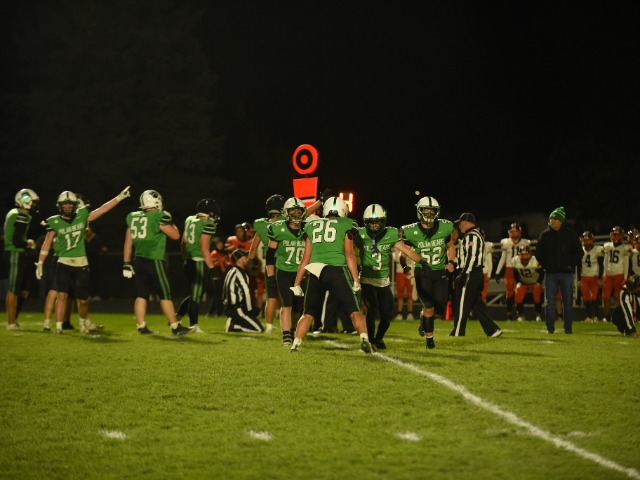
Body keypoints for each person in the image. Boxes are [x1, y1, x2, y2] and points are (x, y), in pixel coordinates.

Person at [37, 188, 130, 334]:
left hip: (81, 262)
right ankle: (58, 326)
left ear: (75, 205)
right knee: (61, 295)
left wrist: (118, 198)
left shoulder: (82, 215)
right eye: (64, 204)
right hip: (63, 261)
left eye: (70, 204)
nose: (67, 207)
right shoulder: (54, 221)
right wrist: (40, 261)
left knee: (83, 299)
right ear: (59, 205)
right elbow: (47, 243)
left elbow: (102, 210)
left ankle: (82, 323)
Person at [289, 196, 374, 353]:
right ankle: (364, 339)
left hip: (315, 270)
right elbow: (349, 254)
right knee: (354, 310)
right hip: (337, 270)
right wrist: (356, 280)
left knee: (308, 313)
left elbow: (305, 258)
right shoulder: (347, 223)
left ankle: (296, 344)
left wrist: (297, 283)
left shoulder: (312, 225)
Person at [122, 189, 194, 336]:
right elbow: (175, 235)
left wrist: (126, 262)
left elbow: (128, 241)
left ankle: (141, 326)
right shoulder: (158, 216)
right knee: (165, 294)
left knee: (141, 295)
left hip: (138, 261)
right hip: (154, 261)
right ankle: (175, 326)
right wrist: (172, 223)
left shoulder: (133, 217)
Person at [355, 203, 424, 350]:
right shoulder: (359, 234)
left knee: (387, 314)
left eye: (377, 221)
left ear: (383, 221)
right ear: (366, 222)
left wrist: (422, 262)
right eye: (371, 222)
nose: (374, 225)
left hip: (383, 281)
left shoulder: (391, 233)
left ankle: (379, 338)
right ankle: (371, 340)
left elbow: (405, 250)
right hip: (366, 279)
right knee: (372, 308)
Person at [400, 196, 456, 350]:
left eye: (432, 211)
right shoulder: (411, 231)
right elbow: (403, 253)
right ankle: (429, 340)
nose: (429, 214)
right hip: (422, 272)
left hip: (440, 272)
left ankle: (423, 317)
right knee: (429, 306)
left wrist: (451, 262)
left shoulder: (445, 227)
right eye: (426, 211)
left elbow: (451, 246)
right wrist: (405, 265)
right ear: (420, 211)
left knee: (439, 311)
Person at [450, 213, 503, 337]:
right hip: (475, 273)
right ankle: (492, 330)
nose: (459, 226)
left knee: (462, 303)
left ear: (466, 222)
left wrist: (464, 273)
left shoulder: (471, 236)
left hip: (471, 272)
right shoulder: (474, 235)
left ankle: (458, 331)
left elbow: (471, 256)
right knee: (477, 304)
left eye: (460, 223)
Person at [265, 197, 308, 345]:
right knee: (286, 304)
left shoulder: (307, 228)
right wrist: (271, 276)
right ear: (286, 213)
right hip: (284, 271)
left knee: (298, 306)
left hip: (301, 273)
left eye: (299, 211)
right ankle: (286, 335)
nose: (296, 214)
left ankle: (293, 328)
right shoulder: (278, 228)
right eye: (293, 211)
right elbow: (270, 255)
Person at [535, 206, 583, 334]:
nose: (551, 221)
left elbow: (579, 252)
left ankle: (568, 329)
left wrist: (570, 265)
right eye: (550, 218)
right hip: (550, 274)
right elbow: (538, 253)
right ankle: (550, 329)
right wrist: (547, 265)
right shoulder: (545, 235)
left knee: (567, 302)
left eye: (554, 219)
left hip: (566, 273)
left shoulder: (571, 234)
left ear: (561, 220)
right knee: (550, 303)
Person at [176, 198, 221, 333]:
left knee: (194, 293)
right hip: (199, 262)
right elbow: (204, 248)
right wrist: (211, 268)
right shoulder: (208, 224)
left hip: (189, 261)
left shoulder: (189, 219)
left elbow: (183, 242)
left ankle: (176, 317)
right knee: (196, 296)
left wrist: (185, 258)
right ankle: (194, 325)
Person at [249, 194, 286, 334]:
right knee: (286, 297)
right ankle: (288, 327)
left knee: (271, 296)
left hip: (269, 264)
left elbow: (253, 249)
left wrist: (251, 263)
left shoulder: (261, 224)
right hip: (284, 262)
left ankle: (269, 327)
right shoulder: (285, 221)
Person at [4, 188, 39, 330]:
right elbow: (17, 240)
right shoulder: (21, 215)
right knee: (13, 288)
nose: (34, 204)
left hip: (18, 253)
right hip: (15, 252)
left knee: (24, 288)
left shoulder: (16, 213)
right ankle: (11, 322)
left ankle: (14, 319)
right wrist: (28, 243)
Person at [222, 249, 265, 333]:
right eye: (245, 258)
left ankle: (234, 322)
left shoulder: (232, 271)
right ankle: (232, 325)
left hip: (231, 308)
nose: (247, 259)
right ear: (239, 260)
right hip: (237, 308)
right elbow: (245, 292)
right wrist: (250, 309)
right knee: (259, 329)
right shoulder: (239, 273)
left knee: (253, 324)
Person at [494, 223, 531, 320]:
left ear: (519, 232)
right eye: (511, 231)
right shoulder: (505, 242)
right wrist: (498, 272)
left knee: (520, 291)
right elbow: (503, 258)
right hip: (509, 268)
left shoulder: (525, 242)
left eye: (515, 231)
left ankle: (520, 314)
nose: (513, 233)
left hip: (520, 268)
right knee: (509, 292)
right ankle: (509, 314)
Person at [602, 226, 632, 322]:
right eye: (614, 234)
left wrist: (625, 277)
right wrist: (604, 274)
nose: (615, 237)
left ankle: (615, 316)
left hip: (619, 274)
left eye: (618, 235)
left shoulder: (625, 247)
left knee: (618, 297)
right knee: (605, 297)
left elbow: (626, 263)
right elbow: (605, 261)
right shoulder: (607, 246)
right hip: (608, 274)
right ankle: (607, 316)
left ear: (622, 236)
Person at [511, 245, 543, 322]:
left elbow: (542, 272)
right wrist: (518, 282)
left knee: (537, 297)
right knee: (517, 295)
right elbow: (515, 272)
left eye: (525, 254)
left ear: (530, 254)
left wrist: (538, 282)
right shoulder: (515, 260)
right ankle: (521, 315)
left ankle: (538, 315)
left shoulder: (535, 261)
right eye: (521, 254)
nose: (523, 256)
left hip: (535, 282)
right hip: (523, 282)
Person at [578, 231, 604, 322]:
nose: (586, 242)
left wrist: (600, 277)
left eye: (588, 240)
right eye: (584, 240)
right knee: (586, 298)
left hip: (594, 276)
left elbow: (601, 264)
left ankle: (596, 316)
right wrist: (579, 279)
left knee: (594, 297)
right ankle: (590, 316)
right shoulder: (580, 250)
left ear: (592, 240)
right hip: (584, 276)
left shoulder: (597, 249)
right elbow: (579, 265)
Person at [207, 236, 229, 317]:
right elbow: (214, 266)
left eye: (220, 243)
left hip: (223, 275)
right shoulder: (214, 253)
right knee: (218, 295)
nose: (220, 245)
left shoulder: (223, 253)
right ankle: (219, 312)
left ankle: (211, 312)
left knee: (218, 295)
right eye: (218, 244)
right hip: (217, 277)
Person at [392, 249, 414, 320]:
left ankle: (410, 313)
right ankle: (399, 313)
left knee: (410, 293)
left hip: (410, 270)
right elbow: (396, 258)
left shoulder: (411, 244)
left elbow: (413, 257)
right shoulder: (398, 245)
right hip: (400, 270)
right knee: (400, 293)